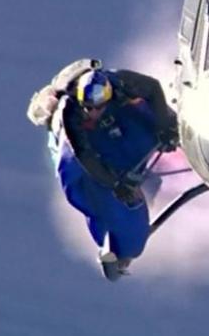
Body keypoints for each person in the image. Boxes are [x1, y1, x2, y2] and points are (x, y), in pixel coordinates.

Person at [27, 59, 179, 281]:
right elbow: (83, 156)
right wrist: (115, 184)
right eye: (88, 108)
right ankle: (116, 241)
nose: (93, 112)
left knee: (150, 114)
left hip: (116, 126)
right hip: (85, 153)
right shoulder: (70, 116)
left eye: (98, 107)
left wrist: (165, 128)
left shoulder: (120, 83)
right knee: (90, 191)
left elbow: (153, 88)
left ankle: (187, 142)